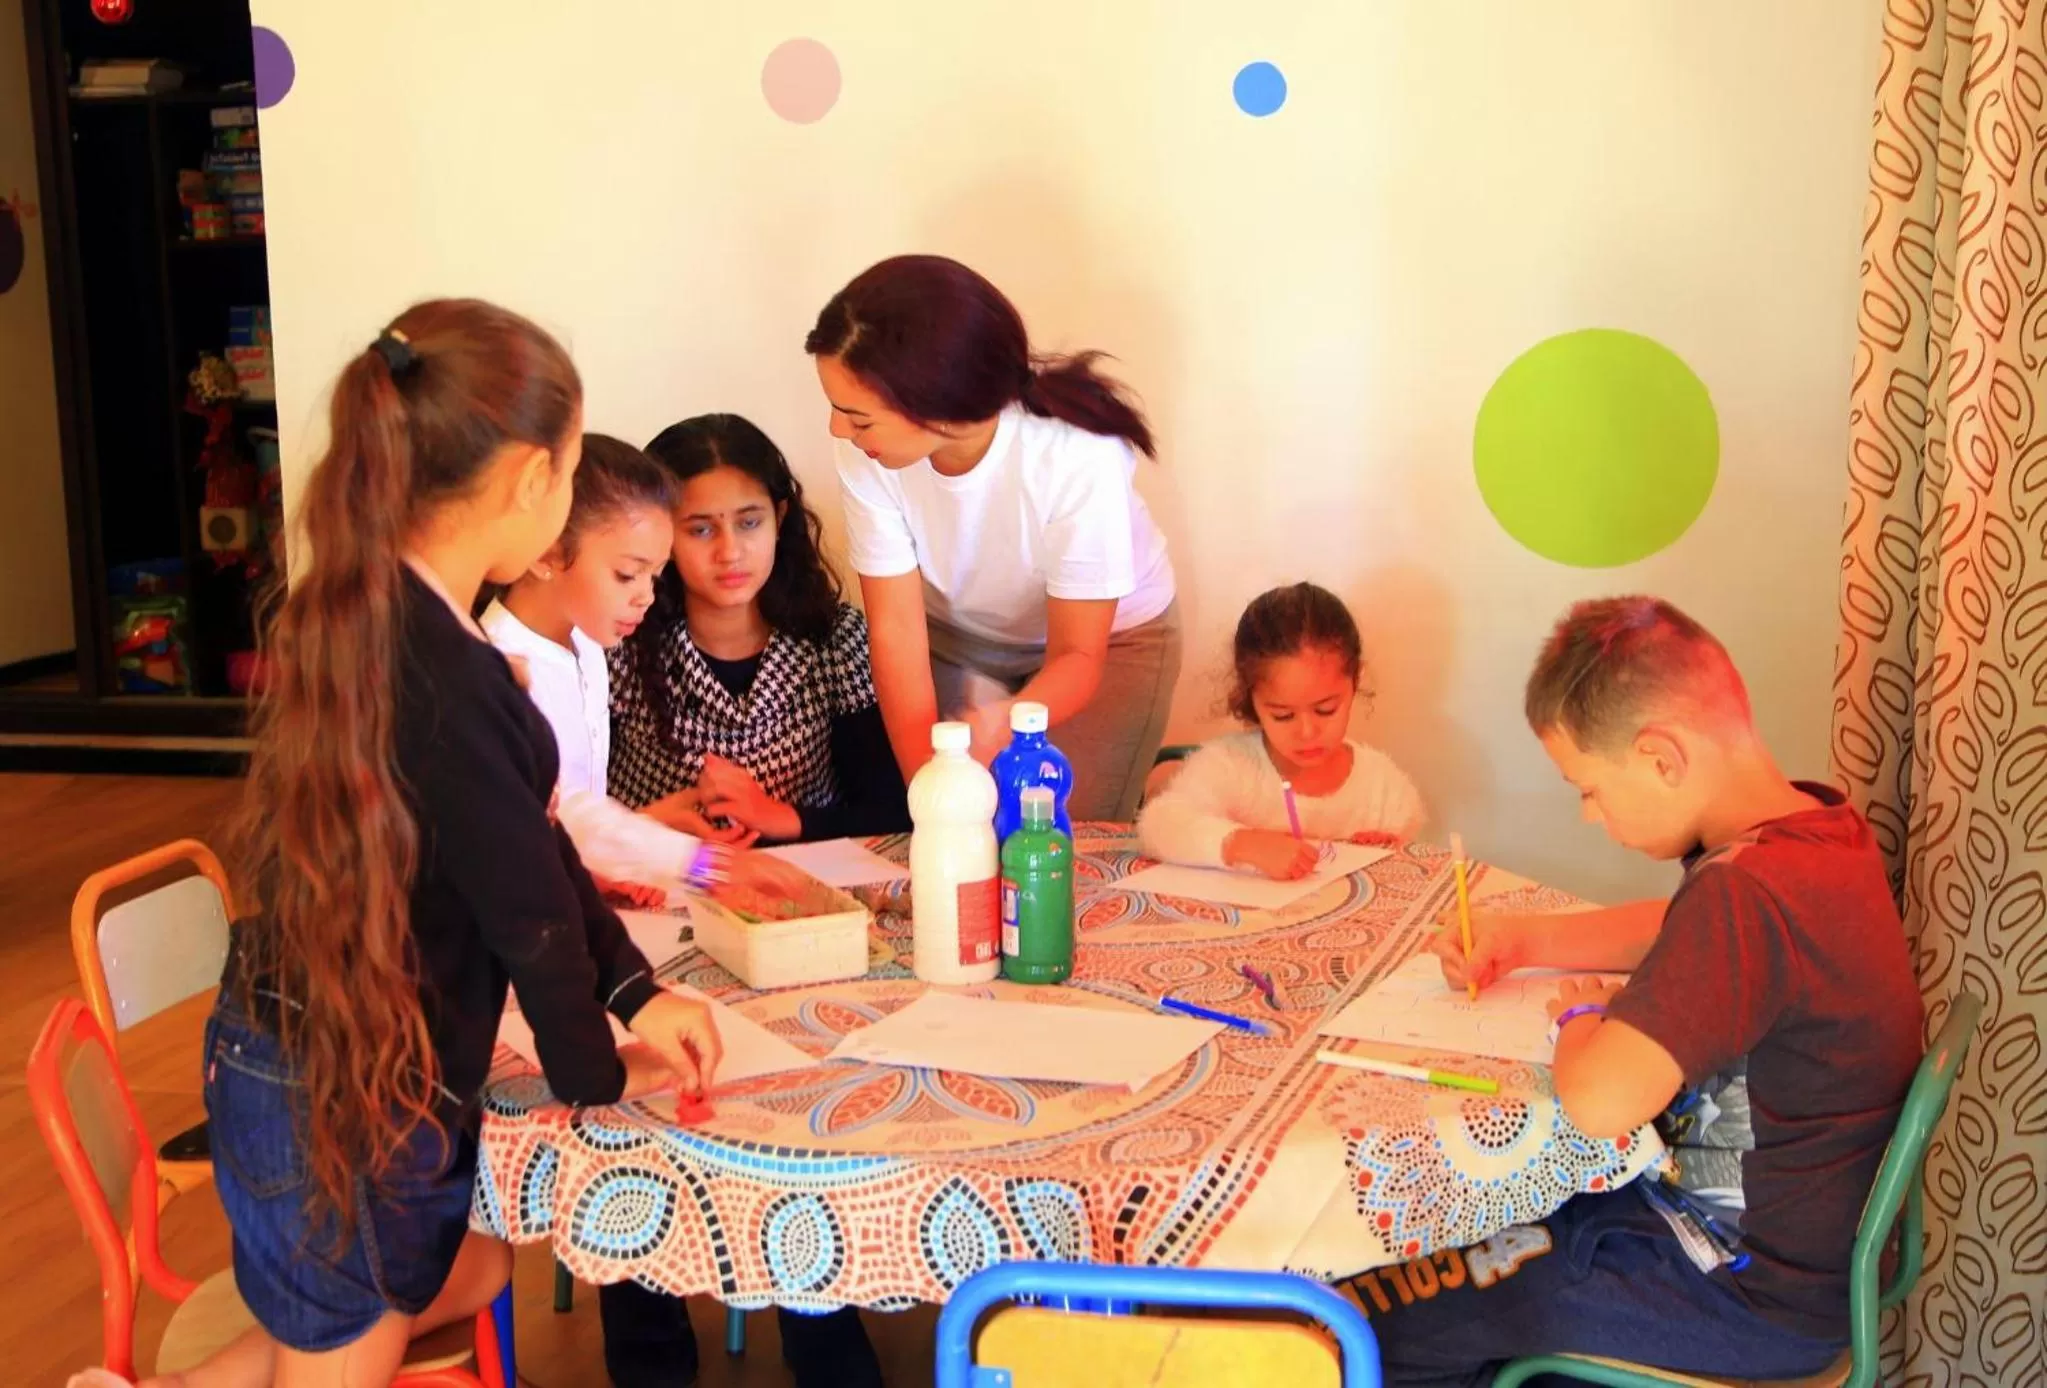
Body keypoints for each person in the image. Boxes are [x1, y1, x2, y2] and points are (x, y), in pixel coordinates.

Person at [69, 301, 725, 1388]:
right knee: (354, 1329)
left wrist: (636, 994)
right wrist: (598, 1070)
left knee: (434, 1281)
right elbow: (529, 908)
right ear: (527, 480)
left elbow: (537, 844)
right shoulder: (441, 664)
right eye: (567, 474)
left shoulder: (410, 618)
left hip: (322, 1054)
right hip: (342, 1082)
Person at [1358, 596, 1923, 1386]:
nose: (1590, 816)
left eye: (1586, 787)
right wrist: (1526, 940)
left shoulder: (1745, 896)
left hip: (1736, 1291)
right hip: (1803, 1270)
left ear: (1661, 758)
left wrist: (1582, 1016)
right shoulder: (1813, 839)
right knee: (1476, 1250)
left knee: (1378, 1321)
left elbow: (1598, 1102)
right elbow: (1675, 926)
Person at [806, 254, 1182, 819]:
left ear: (938, 404)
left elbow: (1078, 654)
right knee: (959, 823)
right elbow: (895, 628)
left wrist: (1006, 721)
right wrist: (932, 798)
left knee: (1051, 834)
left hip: (1112, 642)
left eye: (858, 418)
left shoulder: (1076, 454)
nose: (839, 429)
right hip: (958, 634)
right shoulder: (865, 449)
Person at [480, 431, 792, 902]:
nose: (646, 595)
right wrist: (704, 864)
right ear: (546, 553)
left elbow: (567, 819)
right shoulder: (499, 669)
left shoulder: (585, 645)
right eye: (627, 574)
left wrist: (648, 826)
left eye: (655, 574)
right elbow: (547, 820)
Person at [610, 413, 908, 848]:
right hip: (657, 883)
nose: (730, 552)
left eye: (749, 523)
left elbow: (891, 810)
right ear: (662, 535)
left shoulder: (835, 641)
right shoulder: (620, 643)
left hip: (811, 884)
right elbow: (573, 817)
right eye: (701, 529)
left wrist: (783, 818)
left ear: (779, 517)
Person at [1137, 582, 1423, 878]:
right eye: (1283, 715)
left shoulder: (1384, 791)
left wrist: (1385, 858)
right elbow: (1157, 825)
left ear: (1355, 680)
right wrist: (1241, 844)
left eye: (1325, 710)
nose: (1308, 732)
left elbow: (1402, 882)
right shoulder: (1230, 766)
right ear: (1252, 699)